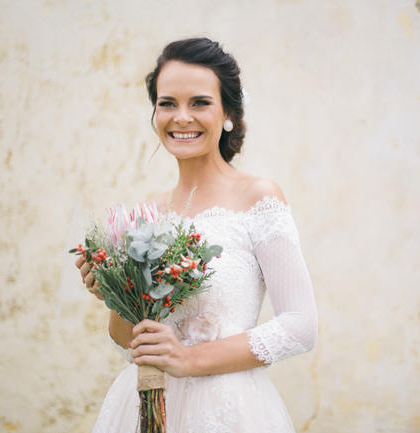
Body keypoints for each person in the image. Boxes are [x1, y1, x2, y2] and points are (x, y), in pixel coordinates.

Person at [76, 37, 318, 433]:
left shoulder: (258, 197)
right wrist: (113, 294)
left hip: (229, 409)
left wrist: (189, 361)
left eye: (200, 103)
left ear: (228, 113)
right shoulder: (147, 215)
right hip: (145, 404)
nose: (181, 117)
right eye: (167, 103)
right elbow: (128, 345)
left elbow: (301, 325)